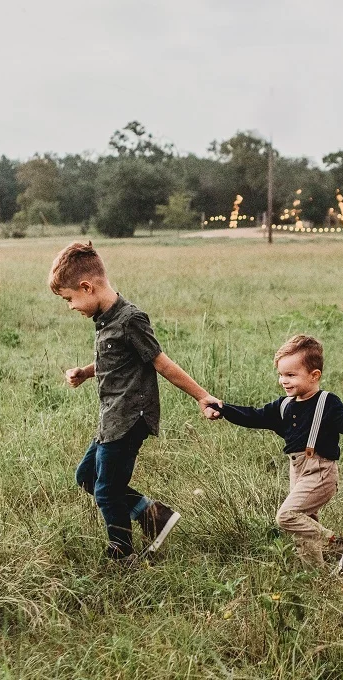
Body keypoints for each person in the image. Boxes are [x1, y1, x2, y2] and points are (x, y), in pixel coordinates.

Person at [50, 241, 222, 562]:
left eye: (69, 299)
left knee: (106, 490)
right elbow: (114, 362)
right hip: (111, 418)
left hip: (130, 418)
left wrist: (203, 396)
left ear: (87, 287)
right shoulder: (104, 320)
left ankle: (122, 553)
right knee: (87, 477)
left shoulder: (130, 319)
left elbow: (162, 363)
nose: (71, 306)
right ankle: (153, 516)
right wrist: (86, 372)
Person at [207, 335, 343, 573]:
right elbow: (254, 416)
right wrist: (223, 409)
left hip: (321, 472)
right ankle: (317, 578)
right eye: (281, 374)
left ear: (314, 376)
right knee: (304, 528)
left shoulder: (327, 401)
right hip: (298, 471)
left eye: (291, 375)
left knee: (287, 516)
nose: (284, 380)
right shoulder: (284, 406)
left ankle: (336, 544)